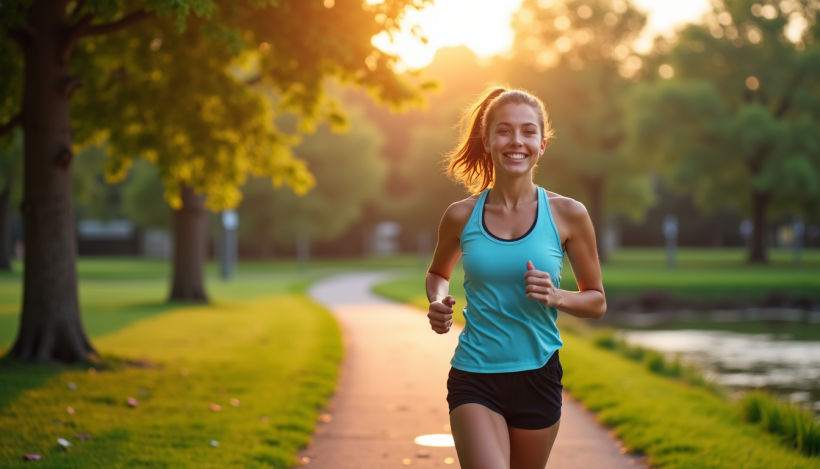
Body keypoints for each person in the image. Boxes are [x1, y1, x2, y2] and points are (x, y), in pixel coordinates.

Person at [426, 85, 606, 469]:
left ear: (542, 144)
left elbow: (596, 301)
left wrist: (557, 296)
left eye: (528, 131)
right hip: (475, 375)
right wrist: (437, 301)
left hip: (538, 376)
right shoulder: (460, 215)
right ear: (487, 140)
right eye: (504, 130)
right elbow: (437, 274)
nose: (516, 141)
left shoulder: (568, 214)